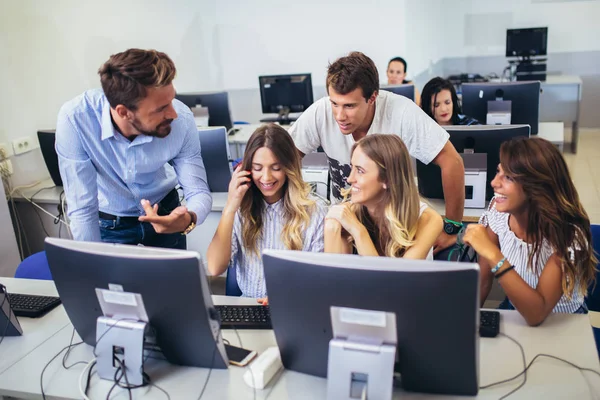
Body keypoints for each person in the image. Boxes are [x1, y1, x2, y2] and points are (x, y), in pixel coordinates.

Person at [289, 51, 465, 255]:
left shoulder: (401, 113)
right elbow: (285, 158)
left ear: (372, 97)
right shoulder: (321, 112)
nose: (339, 115)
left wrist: (452, 227)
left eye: (350, 106)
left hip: (393, 229)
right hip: (347, 223)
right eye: (334, 103)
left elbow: (452, 162)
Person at [55, 49, 211, 249]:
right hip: (110, 223)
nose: (173, 113)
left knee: (173, 280)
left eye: (171, 100)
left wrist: (189, 218)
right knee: (110, 280)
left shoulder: (182, 118)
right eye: (161, 108)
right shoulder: (76, 119)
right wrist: (94, 263)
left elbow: (198, 191)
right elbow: (82, 208)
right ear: (124, 112)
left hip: (166, 212)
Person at [464, 137, 597, 326]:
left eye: (508, 177)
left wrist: (493, 253)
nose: (494, 183)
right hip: (515, 308)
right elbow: (483, 280)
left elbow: (537, 313)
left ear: (536, 187)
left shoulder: (568, 236)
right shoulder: (498, 213)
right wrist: (467, 320)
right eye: (498, 172)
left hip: (562, 321)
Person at [206, 124, 327, 301]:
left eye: (276, 168)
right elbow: (215, 267)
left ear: (289, 167)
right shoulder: (241, 209)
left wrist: (285, 296)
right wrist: (230, 206)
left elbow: (320, 279)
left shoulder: (315, 211)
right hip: (249, 307)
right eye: (257, 168)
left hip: (294, 306)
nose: (266, 177)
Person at [325, 134, 442, 259]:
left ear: (388, 179)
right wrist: (331, 227)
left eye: (360, 171)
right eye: (352, 167)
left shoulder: (428, 219)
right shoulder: (346, 215)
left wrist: (359, 232)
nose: (349, 179)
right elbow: (334, 276)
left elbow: (395, 278)